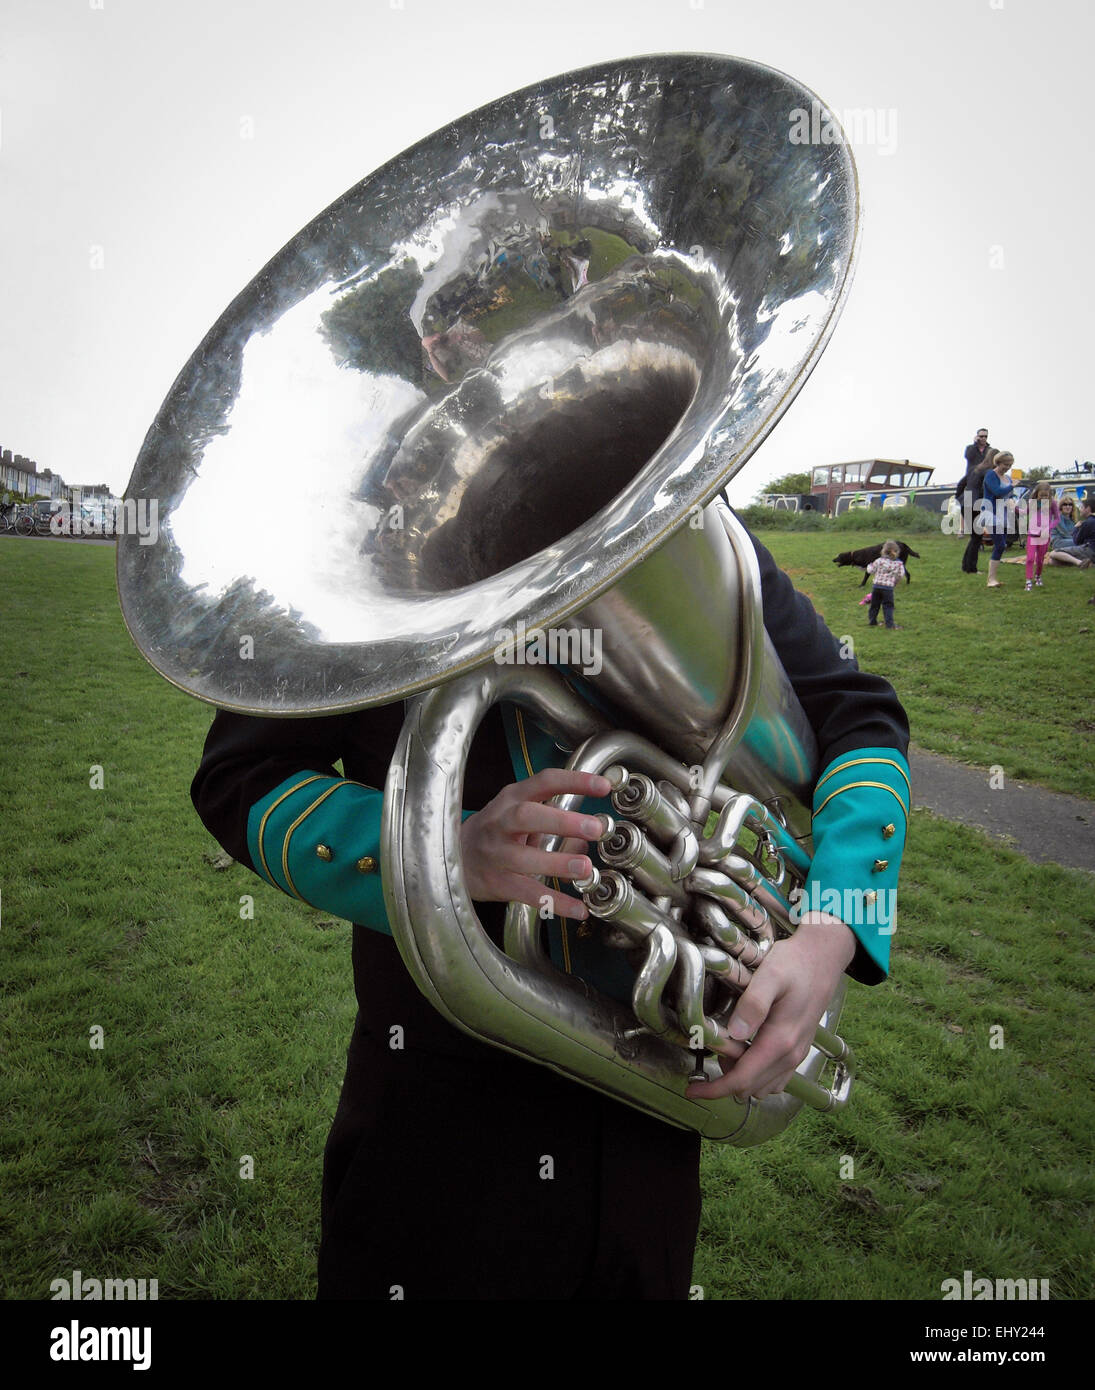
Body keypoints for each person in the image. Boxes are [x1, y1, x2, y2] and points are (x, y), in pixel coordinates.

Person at [190, 519, 910, 1300]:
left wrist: (833, 921)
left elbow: (855, 712)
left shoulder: (694, 513)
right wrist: (443, 851)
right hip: (441, 1083)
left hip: (654, 1089)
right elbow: (246, 775)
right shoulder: (349, 541)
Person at [981, 451, 1016, 588]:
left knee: (1002, 545)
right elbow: (997, 491)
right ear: (998, 462)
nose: (1007, 467)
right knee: (1000, 544)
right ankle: (990, 580)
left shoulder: (1007, 478)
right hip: (991, 513)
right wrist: (1012, 486)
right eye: (1005, 464)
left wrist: (1013, 502)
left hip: (1004, 513)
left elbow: (1009, 495)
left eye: (1010, 465)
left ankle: (993, 578)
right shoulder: (991, 475)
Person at [958, 428, 991, 570]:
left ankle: (967, 566)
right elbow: (962, 482)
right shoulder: (971, 452)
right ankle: (970, 568)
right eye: (981, 436)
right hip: (972, 500)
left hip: (974, 500)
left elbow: (961, 484)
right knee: (976, 536)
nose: (983, 438)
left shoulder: (989, 451)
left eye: (985, 436)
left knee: (975, 537)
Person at [1023, 481, 1058, 590]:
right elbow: (1024, 512)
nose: (1043, 498)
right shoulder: (1033, 503)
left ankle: (1038, 576)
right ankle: (1028, 580)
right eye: (1041, 495)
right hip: (1032, 535)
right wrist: (1012, 507)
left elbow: (1057, 518)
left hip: (1044, 536)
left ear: (1049, 495)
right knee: (1030, 558)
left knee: (1040, 559)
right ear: (1037, 494)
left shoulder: (1052, 504)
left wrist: (1049, 528)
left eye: (1046, 496)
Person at [864, 539, 906, 628]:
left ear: (883, 551)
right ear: (897, 552)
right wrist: (895, 582)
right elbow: (901, 575)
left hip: (876, 587)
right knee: (888, 606)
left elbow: (870, 570)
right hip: (888, 588)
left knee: (874, 605)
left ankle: (872, 621)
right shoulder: (899, 564)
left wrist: (869, 565)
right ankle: (890, 624)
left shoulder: (879, 561)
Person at [1047, 493, 1095, 567]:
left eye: (1070, 504)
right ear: (1061, 506)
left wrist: (1079, 533)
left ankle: (1084, 563)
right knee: (1081, 543)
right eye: (1065, 504)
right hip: (1059, 541)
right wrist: (1077, 530)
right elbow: (1065, 534)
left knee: (1053, 561)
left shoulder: (1072, 519)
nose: (1068, 506)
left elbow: (1076, 536)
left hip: (1072, 541)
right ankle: (1082, 561)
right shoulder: (1057, 518)